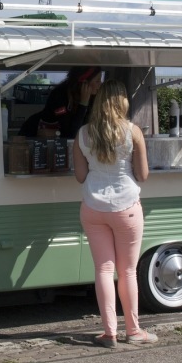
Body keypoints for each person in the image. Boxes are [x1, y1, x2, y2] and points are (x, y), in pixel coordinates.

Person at [73, 80, 156, 347]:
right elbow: (142, 175)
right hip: (127, 207)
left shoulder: (83, 134)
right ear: (122, 102)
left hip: (93, 208)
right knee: (128, 271)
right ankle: (133, 332)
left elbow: (80, 176)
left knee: (103, 270)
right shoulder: (133, 132)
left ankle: (109, 333)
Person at [19, 66, 102, 138]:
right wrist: (83, 104)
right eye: (97, 81)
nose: (100, 84)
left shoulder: (92, 98)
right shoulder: (60, 95)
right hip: (32, 132)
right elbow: (71, 134)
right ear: (84, 83)